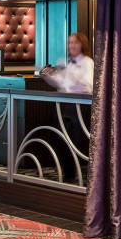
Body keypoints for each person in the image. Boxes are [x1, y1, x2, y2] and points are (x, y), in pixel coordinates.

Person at [38, 33, 94, 180]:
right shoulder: (71, 63)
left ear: (82, 44)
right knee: (61, 139)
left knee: (72, 141)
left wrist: (74, 78)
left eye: (75, 43)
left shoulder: (88, 62)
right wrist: (51, 76)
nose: (71, 46)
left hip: (80, 106)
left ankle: (73, 175)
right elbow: (63, 84)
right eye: (69, 43)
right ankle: (68, 174)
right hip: (67, 105)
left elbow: (88, 86)